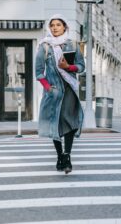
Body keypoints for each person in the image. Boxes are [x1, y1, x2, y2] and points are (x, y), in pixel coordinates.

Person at [35, 14, 85, 174]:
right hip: (53, 92)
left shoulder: (73, 45)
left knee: (70, 122)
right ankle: (59, 156)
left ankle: (67, 156)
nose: (55, 27)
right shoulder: (44, 46)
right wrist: (49, 89)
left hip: (69, 90)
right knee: (54, 123)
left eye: (58, 25)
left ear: (65, 27)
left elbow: (81, 66)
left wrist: (68, 67)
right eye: (52, 25)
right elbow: (38, 73)